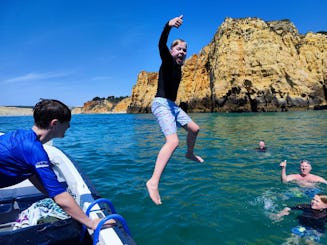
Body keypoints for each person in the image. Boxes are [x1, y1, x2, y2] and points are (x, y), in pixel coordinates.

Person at [0, 99, 114, 230]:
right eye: (67, 123)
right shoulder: (34, 150)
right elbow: (60, 197)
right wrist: (91, 223)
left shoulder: (21, 136)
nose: (69, 127)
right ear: (55, 123)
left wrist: (55, 195)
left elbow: (32, 174)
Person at [146, 15, 204, 205]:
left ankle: (189, 153)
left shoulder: (179, 68)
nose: (182, 52)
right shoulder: (167, 61)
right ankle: (153, 182)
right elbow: (161, 43)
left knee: (194, 129)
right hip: (161, 103)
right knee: (172, 142)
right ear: (171, 51)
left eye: (184, 50)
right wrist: (168, 26)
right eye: (178, 49)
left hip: (172, 106)